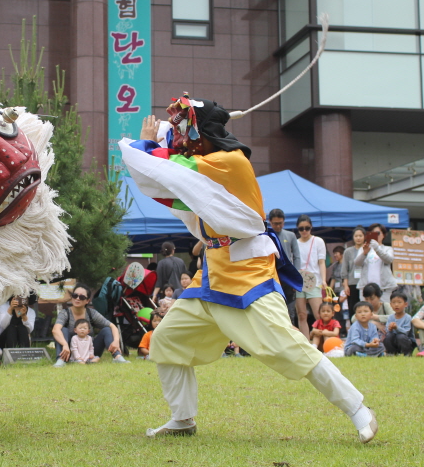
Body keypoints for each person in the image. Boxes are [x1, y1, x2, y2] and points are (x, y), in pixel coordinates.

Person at [119, 96, 377, 443]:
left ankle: (359, 409)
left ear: (205, 133)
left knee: (286, 346)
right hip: (211, 274)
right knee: (168, 340)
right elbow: (172, 161)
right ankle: (182, 419)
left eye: (187, 130)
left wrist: (148, 141)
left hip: (248, 272)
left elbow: (162, 167)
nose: (182, 139)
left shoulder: (229, 161)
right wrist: (163, 135)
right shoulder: (208, 159)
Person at [52, 284, 128, 367]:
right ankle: (61, 360)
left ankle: (117, 357)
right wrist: (64, 344)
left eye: (82, 297)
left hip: (89, 352)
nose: (77, 298)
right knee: (63, 330)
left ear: (87, 301)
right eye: (75, 295)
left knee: (107, 329)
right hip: (69, 351)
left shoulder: (91, 313)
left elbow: (112, 326)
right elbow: (55, 330)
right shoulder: (65, 313)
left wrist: (116, 341)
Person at [296, 214, 328, 339]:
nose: (304, 231)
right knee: (301, 314)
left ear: (311, 228)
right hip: (299, 280)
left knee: (319, 314)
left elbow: (321, 262)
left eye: (307, 228)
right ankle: (306, 342)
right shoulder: (296, 242)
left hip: (314, 280)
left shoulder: (318, 241)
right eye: (301, 228)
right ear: (297, 229)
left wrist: (324, 280)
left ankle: (323, 342)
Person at [268, 208, 301, 324]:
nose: (278, 226)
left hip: (287, 276)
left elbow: (297, 257)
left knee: (290, 309)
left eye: (280, 223)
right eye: (275, 223)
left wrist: (296, 277)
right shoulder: (267, 235)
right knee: (274, 308)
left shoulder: (291, 235)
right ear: (269, 222)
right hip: (272, 275)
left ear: (284, 222)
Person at [354, 224, 396, 303]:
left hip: (384, 287)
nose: (376, 235)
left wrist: (377, 248)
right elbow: (357, 263)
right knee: (366, 309)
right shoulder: (363, 248)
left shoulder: (387, 249)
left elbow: (389, 259)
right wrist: (364, 253)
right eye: (372, 233)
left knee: (383, 309)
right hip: (365, 287)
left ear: (383, 235)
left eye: (378, 233)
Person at [341, 227, 366, 323]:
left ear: (364, 237)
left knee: (364, 307)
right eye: (356, 236)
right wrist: (346, 285)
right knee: (353, 307)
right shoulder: (348, 251)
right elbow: (344, 270)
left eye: (360, 235)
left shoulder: (367, 250)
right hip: (352, 283)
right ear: (353, 237)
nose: (358, 238)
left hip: (365, 283)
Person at [384, 291, 414, 356]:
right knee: (388, 336)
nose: (396, 305)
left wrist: (397, 328)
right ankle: (391, 353)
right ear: (390, 304)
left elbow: (406, 331)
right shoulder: (390, 317)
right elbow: (386, 330)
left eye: (399, 302)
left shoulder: (407, 317)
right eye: (394, 302)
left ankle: (407, 353)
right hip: (395, 340)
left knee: (400, 336)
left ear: (405, 304)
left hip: (406, 340)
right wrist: (390, 328)